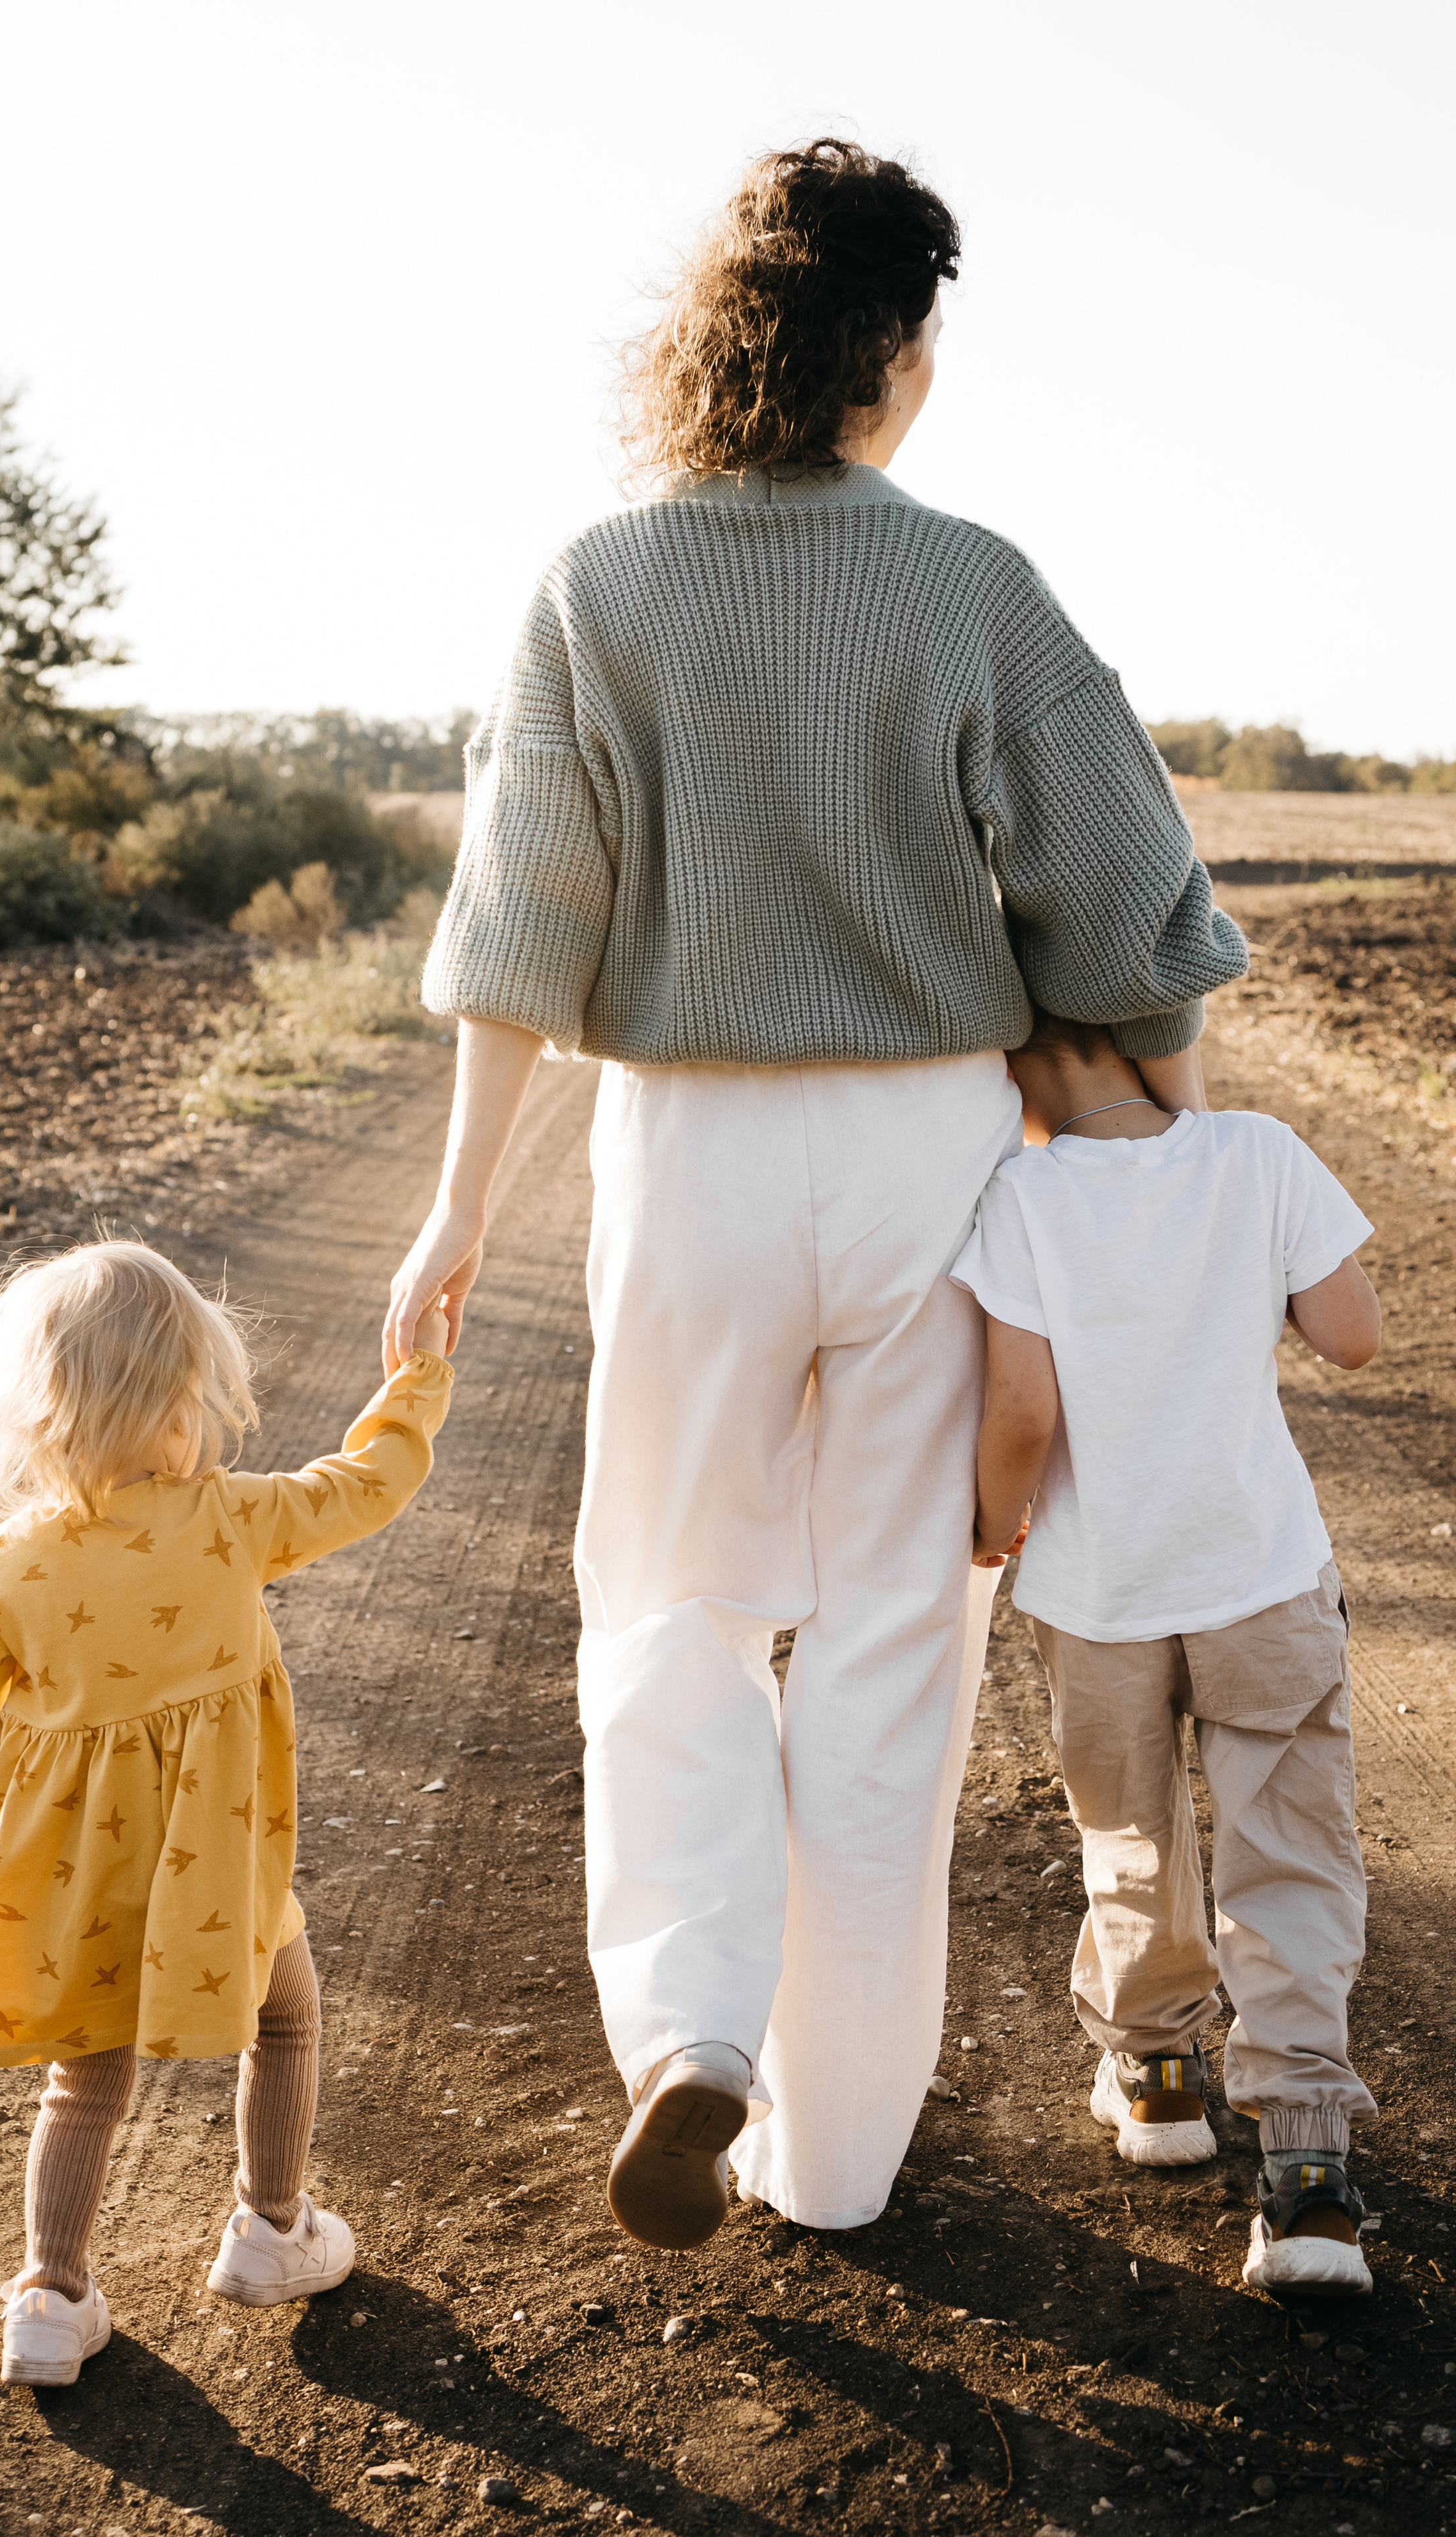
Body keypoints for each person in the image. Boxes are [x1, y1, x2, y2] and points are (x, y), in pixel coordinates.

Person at [385, 137, 1248, 2247]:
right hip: (930, 1151)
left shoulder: (598, 581)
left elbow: (522, 925)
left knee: (670, 1603)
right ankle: (836, 2156)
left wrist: (456, 1206)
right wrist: (1171, 1185)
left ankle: (692, 2024)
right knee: (892, 1641)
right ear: (903, 347)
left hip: (684, 1147)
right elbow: (1131, 914)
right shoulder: (971, 579)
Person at [0, 1239, 453, 2381]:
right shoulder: (229, 1519)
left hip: (76, 1888)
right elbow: (364, 1484)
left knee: (83, 2082)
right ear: (179, 1411)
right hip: (217, 1874)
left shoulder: (4, 1565)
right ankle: (272, 2228)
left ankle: (50, 2295)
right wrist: (417, 1378)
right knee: (285, 2016)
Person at [956, 1011, 1380, 2296]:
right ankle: (1305, 2178)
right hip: (1257, 1570)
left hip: (1099, 1595)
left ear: (1016, 1059)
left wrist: (988, 1528)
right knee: (1288, 1851)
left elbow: (1022, 1408)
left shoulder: (1019, 1194)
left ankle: (1155, 2076)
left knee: (1127, 1823)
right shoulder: (1253, 1152)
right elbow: (1350, 1332)